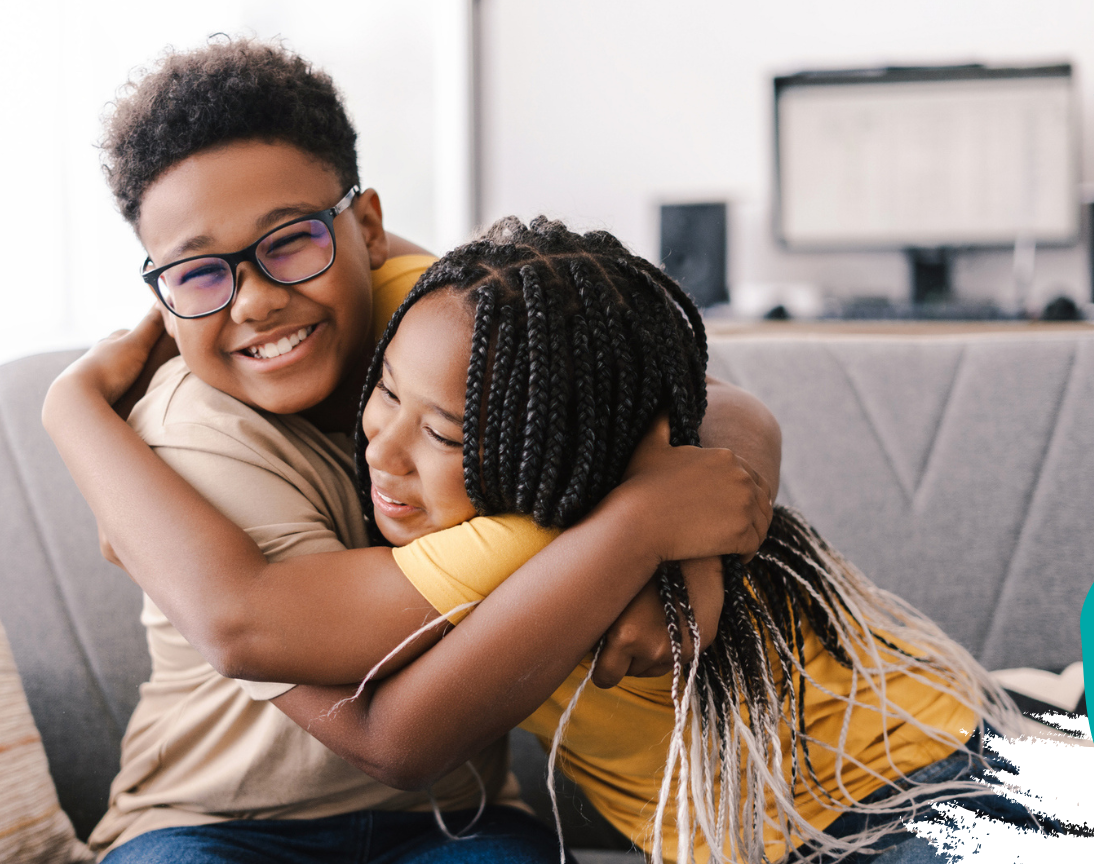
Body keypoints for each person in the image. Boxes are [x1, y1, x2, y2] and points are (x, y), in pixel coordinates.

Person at [42, 38, 780, 862]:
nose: (254, 302)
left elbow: (702, 401)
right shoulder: (189, 426)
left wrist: (698, 549)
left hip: (451, 819)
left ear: (366, 228)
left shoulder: (430, 314)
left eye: (289, 241)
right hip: (209, 820)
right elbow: (255, 630)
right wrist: (638, 530)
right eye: (199, 273)